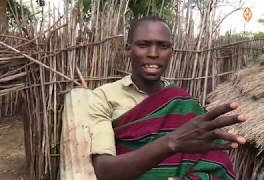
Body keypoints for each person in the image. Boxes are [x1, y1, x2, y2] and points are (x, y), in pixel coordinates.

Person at [88, 16, 247, 180]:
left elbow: (214, 167)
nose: (153, 54)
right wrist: (172, 142)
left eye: (163, 46)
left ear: (172, 51)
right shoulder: (104, 97)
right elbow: (104, 171)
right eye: (143, 45)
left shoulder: (185, 104)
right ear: (128, 49)